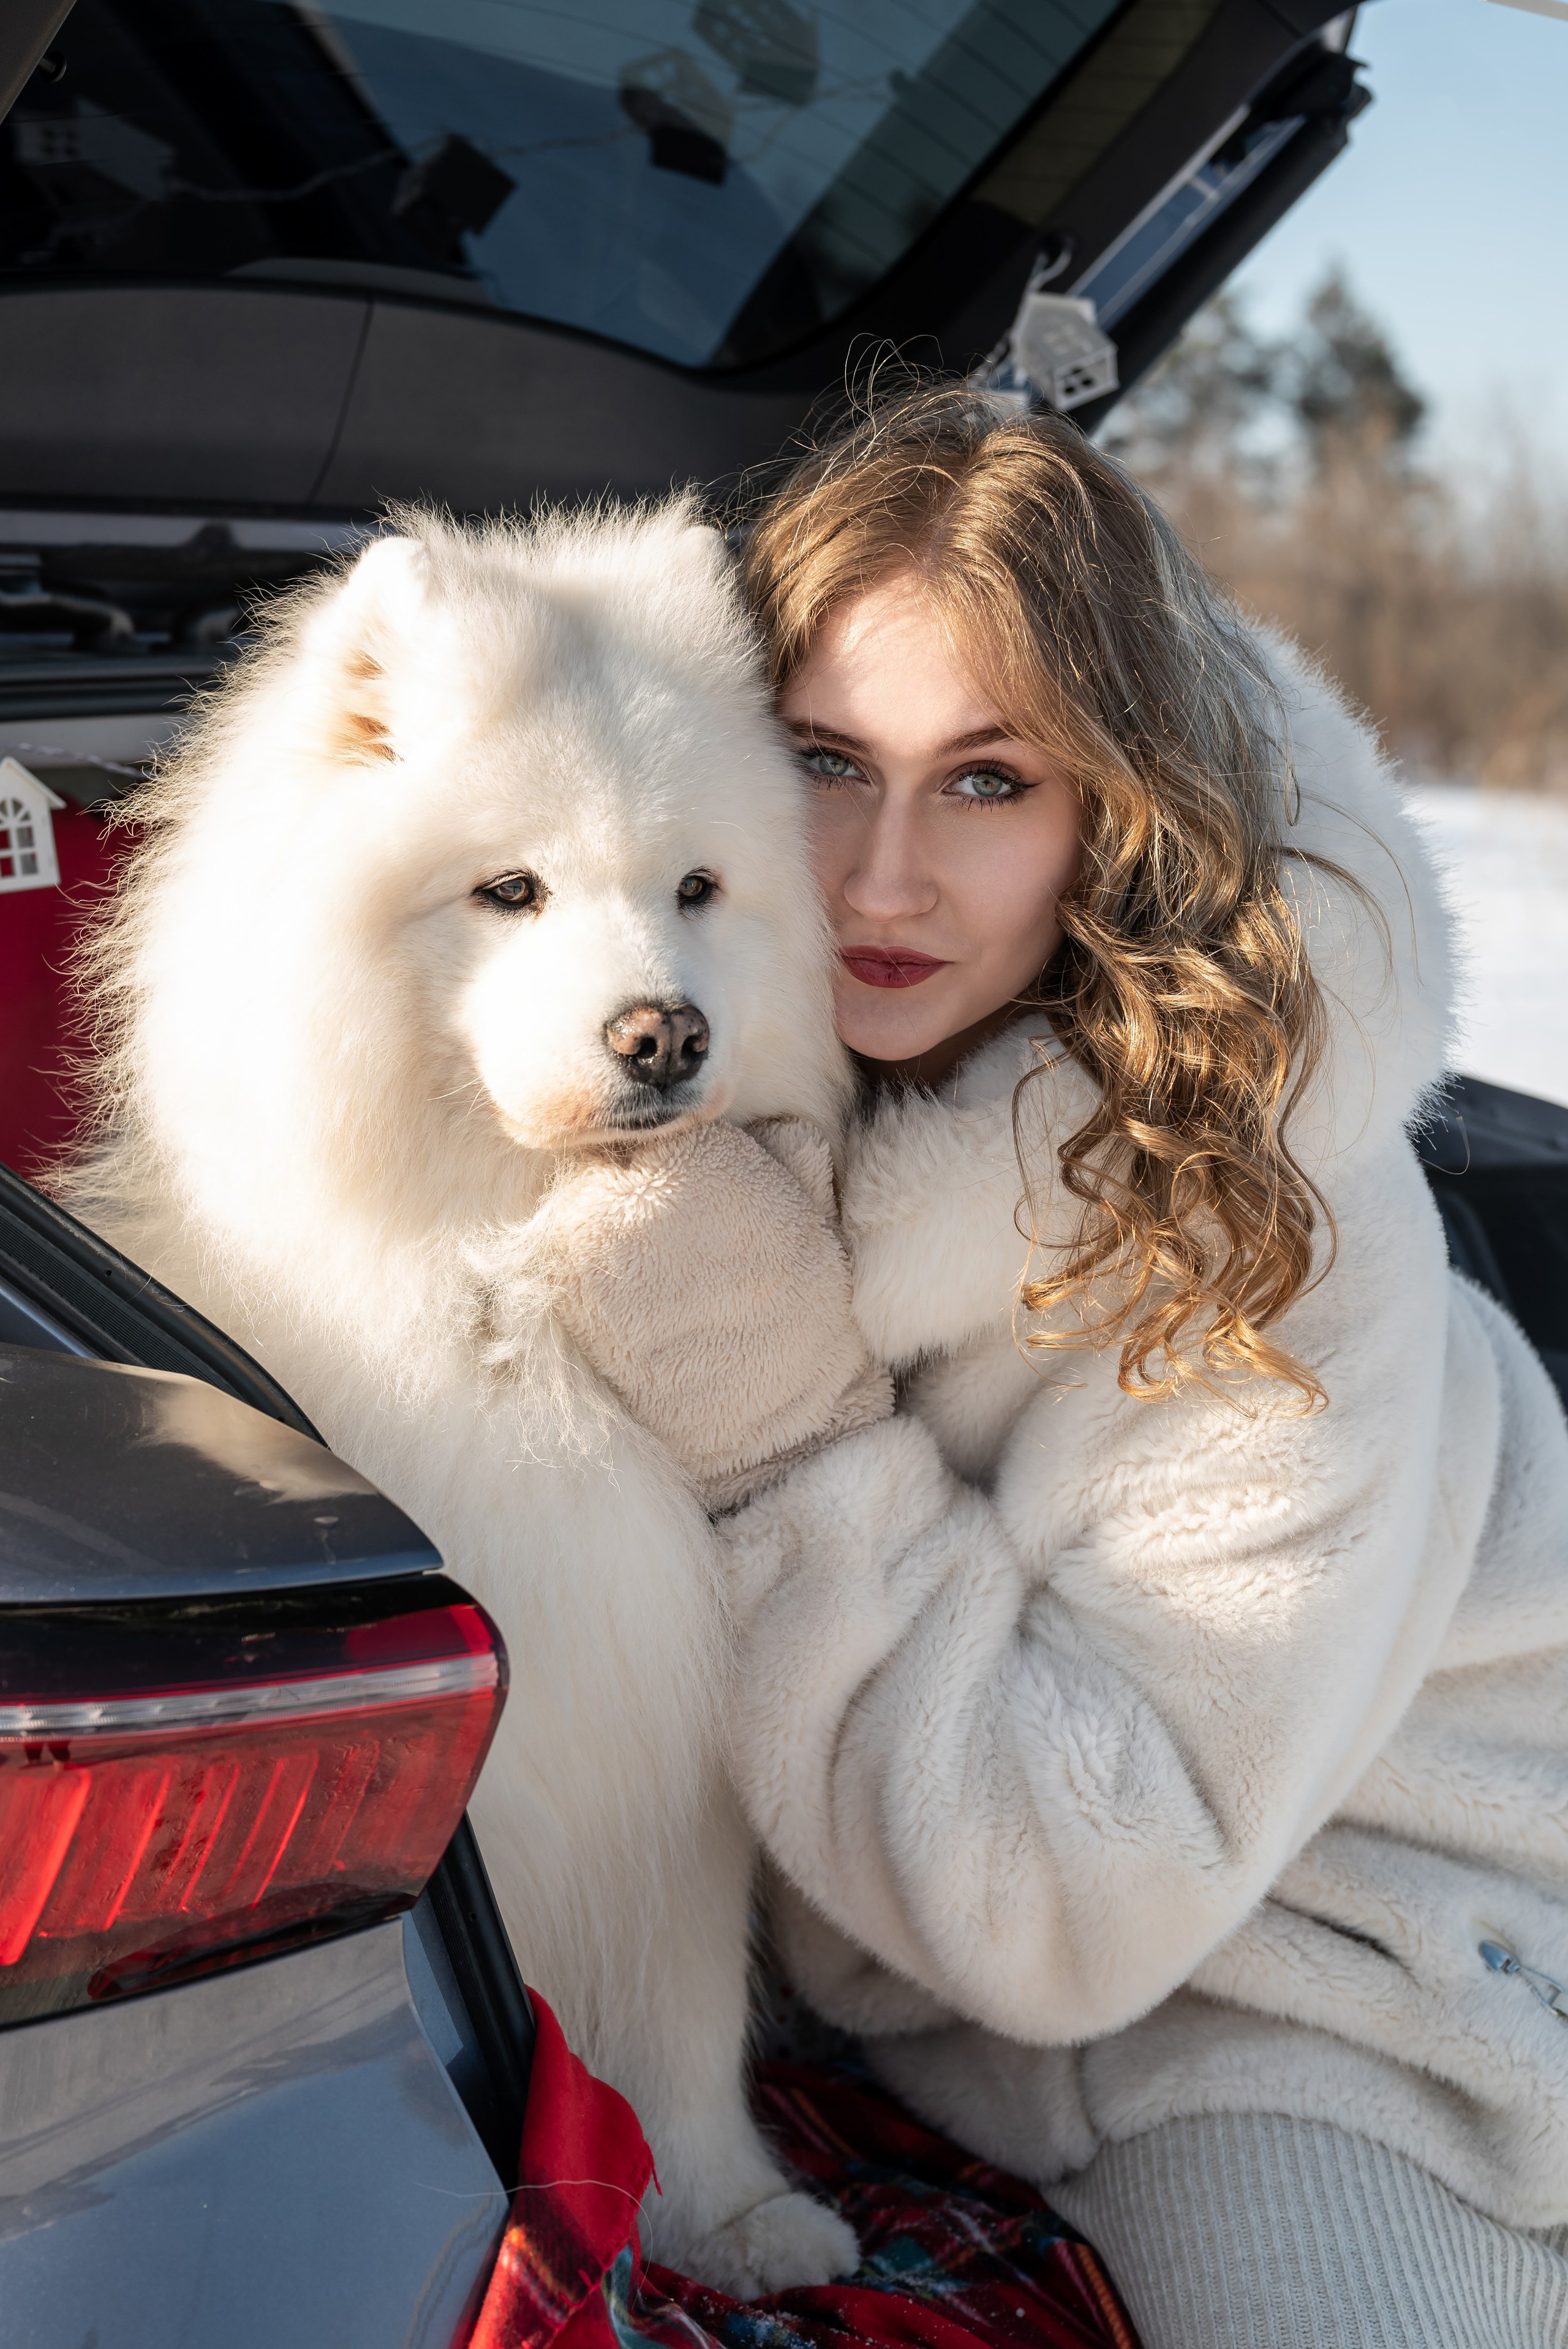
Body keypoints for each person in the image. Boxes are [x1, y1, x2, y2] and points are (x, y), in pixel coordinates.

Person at [541, 385, 1568, 2347]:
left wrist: (775, 1423)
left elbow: (1076, 1907)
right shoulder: (701, 1043)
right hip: (926, 1984)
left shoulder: (1290, 1235)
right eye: (824, 759)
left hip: (1371, 1987)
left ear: (1119, 812)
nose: (878, 880)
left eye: (989, 781)